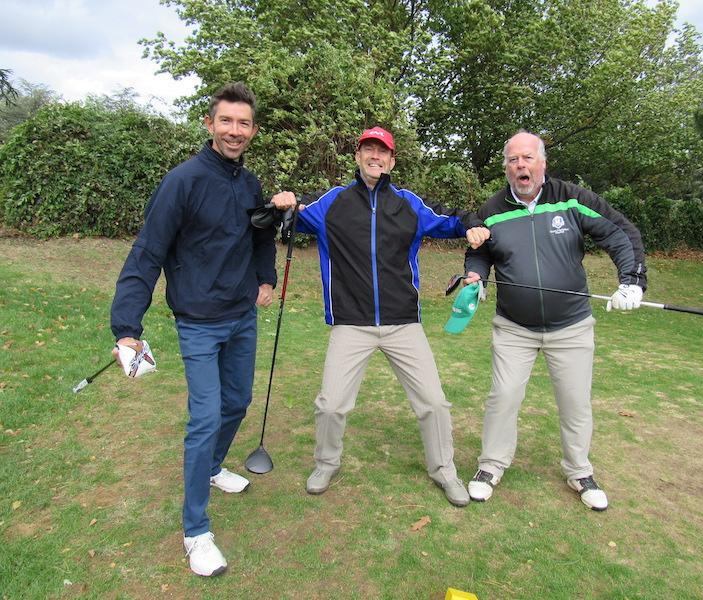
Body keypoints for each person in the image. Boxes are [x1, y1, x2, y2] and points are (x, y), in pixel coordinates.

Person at [110, 82, 295, 576]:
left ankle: (213, 468)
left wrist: (265, 276)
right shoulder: (182, 182)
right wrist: (127, 326)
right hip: (197, 321)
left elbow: (260, 232)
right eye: (226, 122)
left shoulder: (249, 181)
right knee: (205, 417)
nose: (235, 131)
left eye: (244, 124)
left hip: (242, 316)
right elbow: (147, 253)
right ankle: (196, 531)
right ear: (210, 125)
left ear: (252, 131)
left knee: (238, 401)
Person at [274, 126, 490, 506]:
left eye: (382, 151)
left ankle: (444, 470)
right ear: (357, 156)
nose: (375, 156)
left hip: (402, 322)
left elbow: (450, 219)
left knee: (434, 403)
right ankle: (326, 463)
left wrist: (471, 223)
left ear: (391, 160)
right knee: (330, 404)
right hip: (351, 323)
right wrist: (285, 204)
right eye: (368, 149)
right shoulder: (333, 202)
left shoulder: (408, 204)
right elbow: (293, 215)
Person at [463, 131, 647, 511]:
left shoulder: (572, 199)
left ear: (543, 163)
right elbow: (478, 252)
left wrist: (632, 280)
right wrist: (475, 276)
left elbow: (619, 232)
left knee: (575, 402)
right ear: (506, 168)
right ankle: (491, 465)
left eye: (528, 158)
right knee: (503, 397)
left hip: (571, 326)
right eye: (514, 160)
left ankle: (579, 470)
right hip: (514, 327)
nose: (521, 166)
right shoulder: (492, 210)